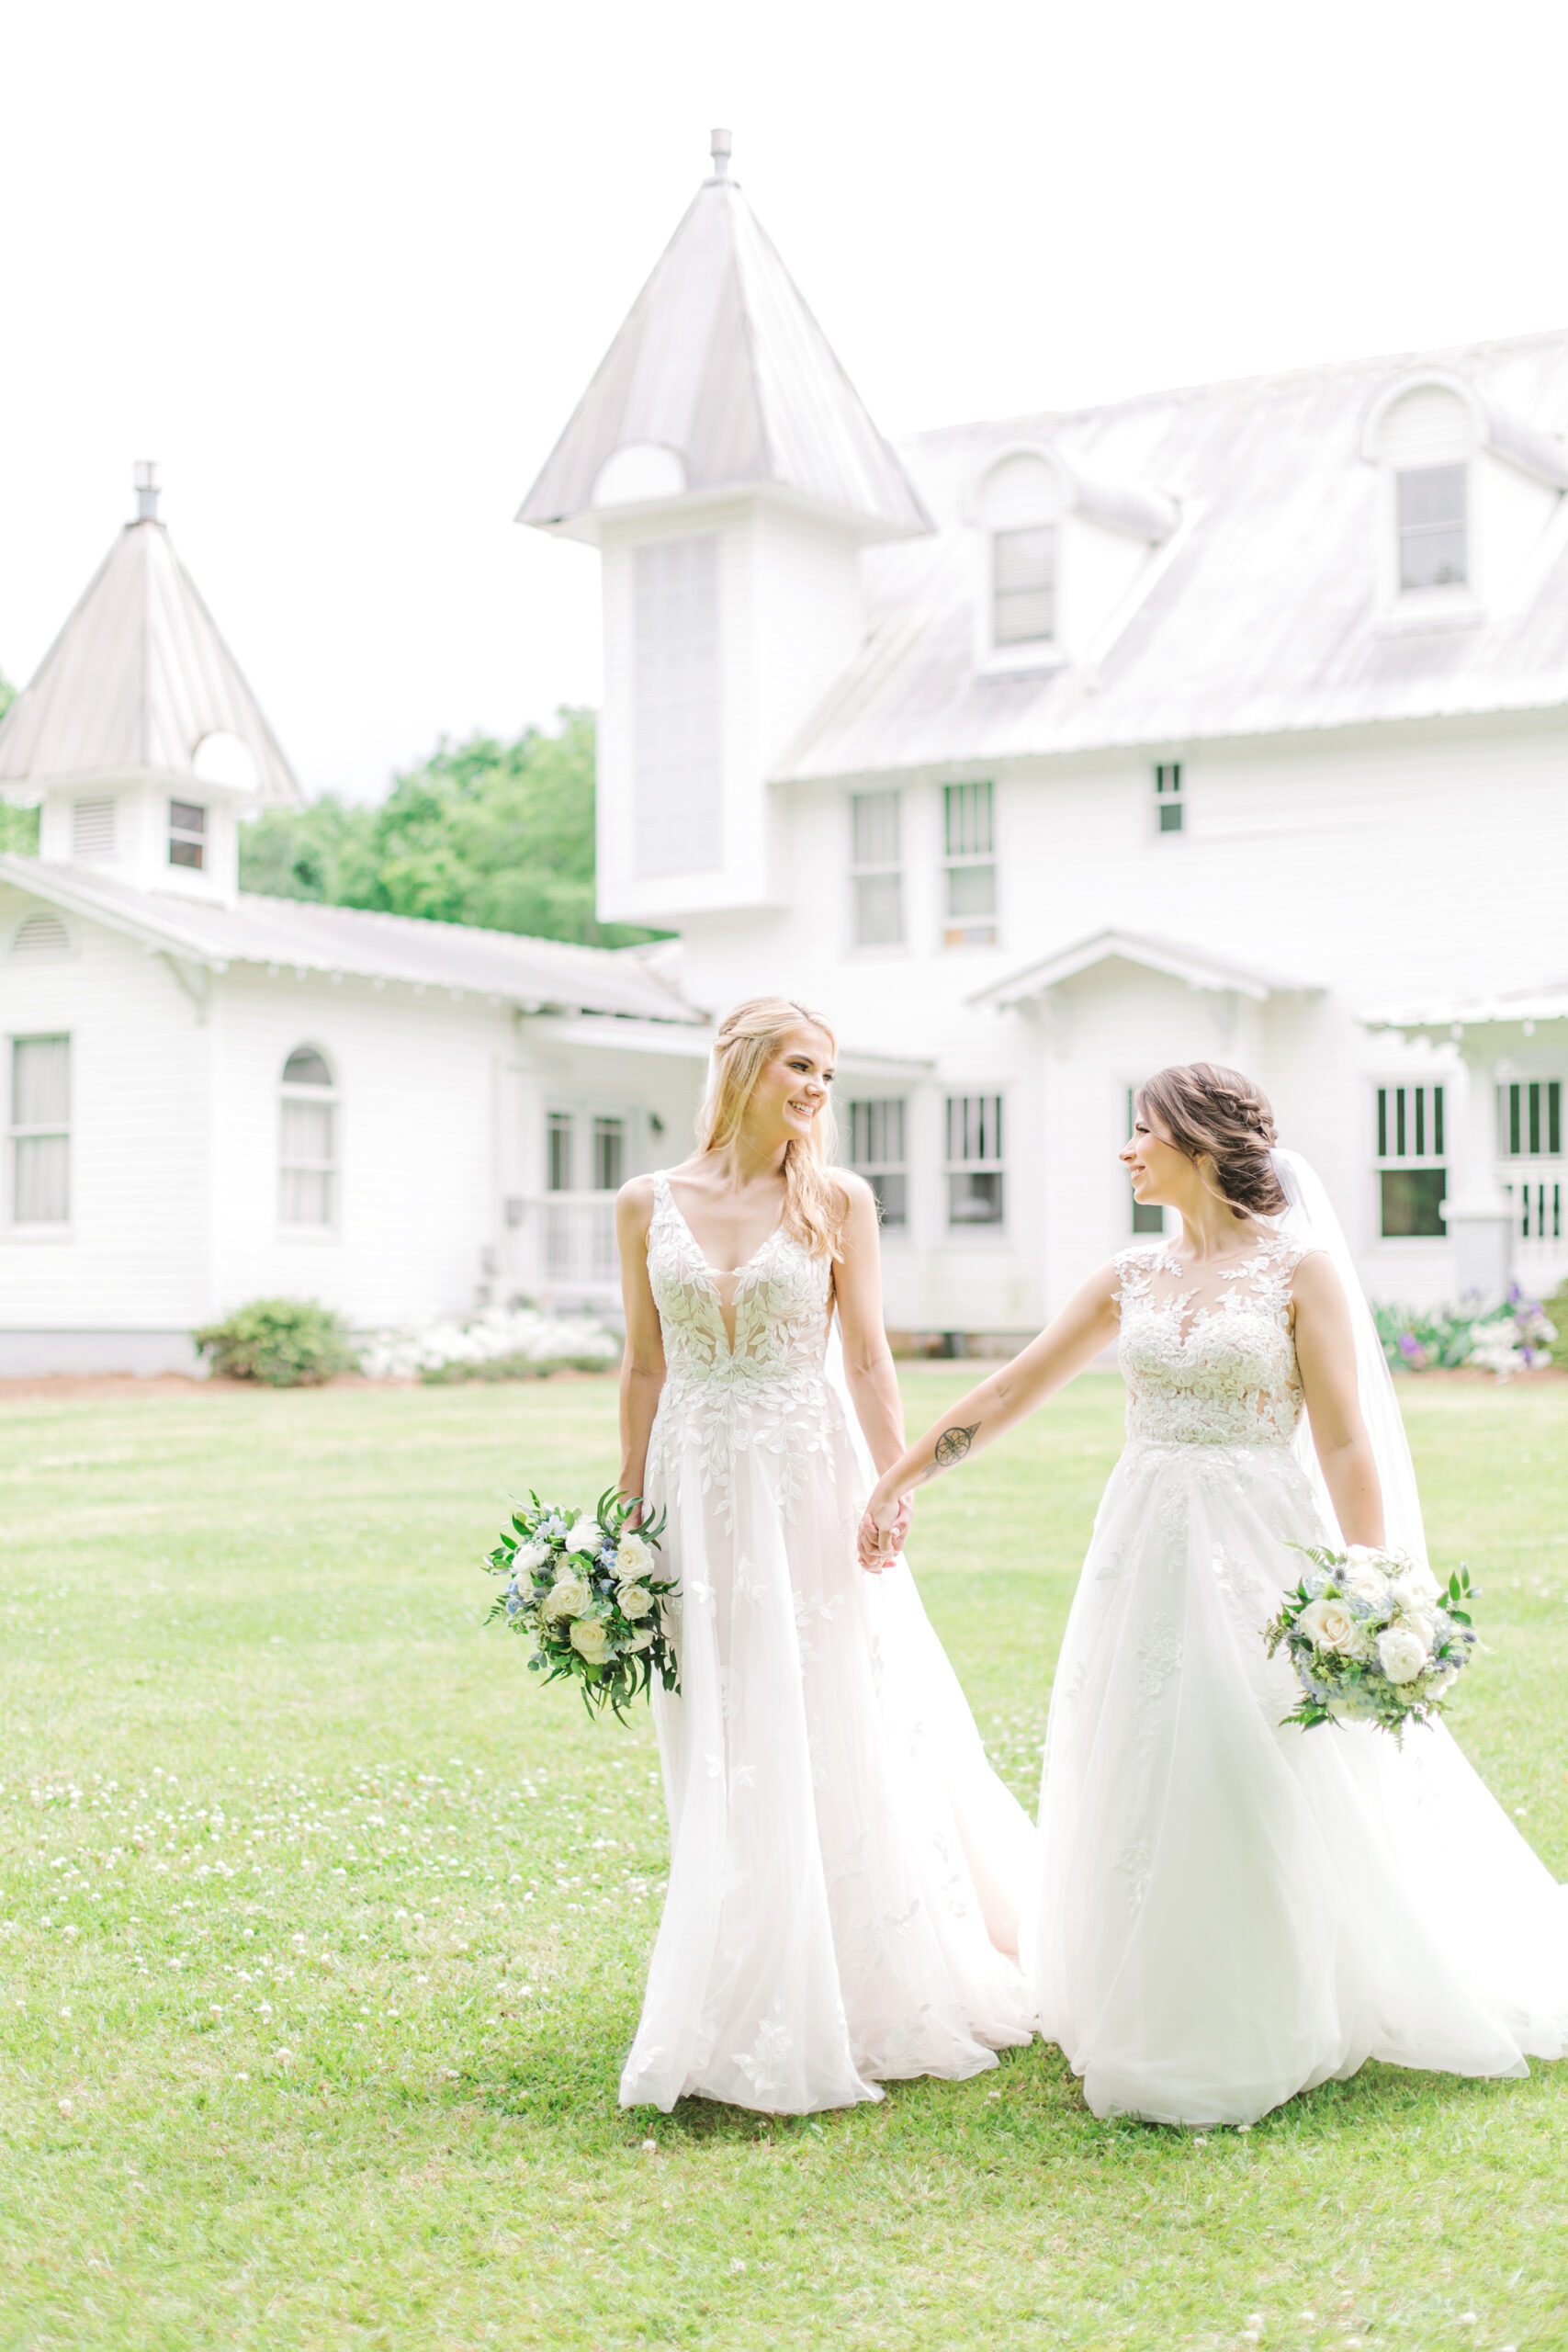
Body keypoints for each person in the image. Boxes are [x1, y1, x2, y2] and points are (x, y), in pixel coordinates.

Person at [863, 1061, 1568, 2128]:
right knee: (1145, 1749)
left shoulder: (1301, 1270)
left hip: (1263, 1543)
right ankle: (1147, 1989)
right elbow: (1014, 1387)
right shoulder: (1126, 1276)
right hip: (1142, 1544)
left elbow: (1341, 1435)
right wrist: (901, 1474)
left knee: (1256, 1753)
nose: (1125, 1150)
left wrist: (1368, 1581)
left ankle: (1276, 1992)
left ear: (1197, 1144)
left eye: (1142, 1131)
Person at [615, 996, 1036, 2114]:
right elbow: (645, 1369)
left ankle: (862, 1972)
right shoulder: (646, 1201)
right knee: (727, 1718)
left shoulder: (839, 1201)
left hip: (812, 1477)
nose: (815, 1089)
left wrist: (896, 1483)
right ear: (743, 1065)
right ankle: (745, 1957)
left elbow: (867, 1362)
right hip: (696, 1484)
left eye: (828, 1074)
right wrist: (625, 1509)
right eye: (800, 1065)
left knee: (835, 1701)